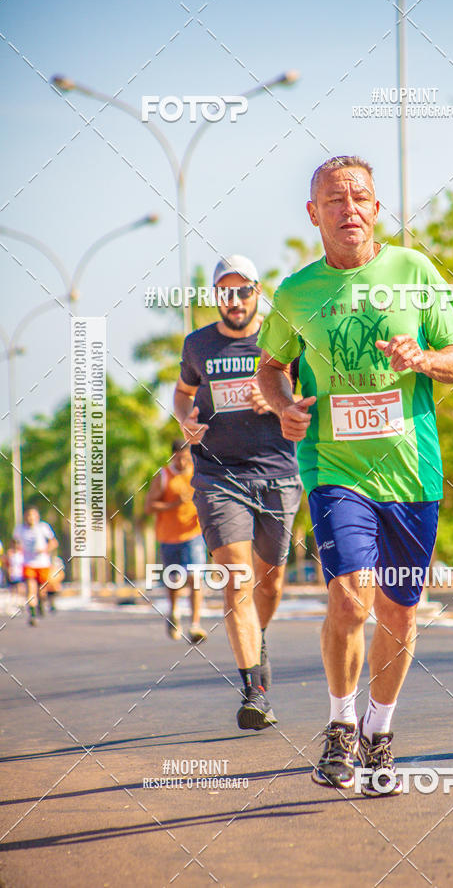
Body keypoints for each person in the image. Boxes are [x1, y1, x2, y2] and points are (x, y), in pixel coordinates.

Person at [257, 156, 453, 794]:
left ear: (377, 209)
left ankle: (380, 731)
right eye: (335, 199)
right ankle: (340, 724)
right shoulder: (296, 293)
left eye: (360, 198)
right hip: (333, 466)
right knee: (351, 596)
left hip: (411, 471)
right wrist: (283, 405)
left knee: (400, 614)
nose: (348, 208)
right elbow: (270, 367)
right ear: (314, 213)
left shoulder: (414, 271)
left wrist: (425, 358)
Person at [174, 254, 302, 731]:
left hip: (279, 471)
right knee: (236, 577)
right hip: (218, 474)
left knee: (271, 582)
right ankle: (254, 691)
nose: (235, 300)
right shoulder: (198, 344)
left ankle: (257, 636)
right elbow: (183, 392)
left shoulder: (282, 338)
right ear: (216, 296)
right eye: (225, 292)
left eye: (243, 291)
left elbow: (309, 395)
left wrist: (278, 400)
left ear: (257, 292)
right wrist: (184, 419)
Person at [145, 440, 207, 643]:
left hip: (193, 535)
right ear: (172, 456)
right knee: (174, 581)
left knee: (195, 578)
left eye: (186, 458)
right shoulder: (163, 476)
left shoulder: (197, 474)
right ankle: (173, 612)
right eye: (179, 458)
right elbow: (149, 506)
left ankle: (195, 624)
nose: (182, 462)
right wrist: (175, 504)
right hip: (168, 537)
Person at [13, 506, 58, 626]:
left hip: (42, 563)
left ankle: (41, 603)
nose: (31, 518)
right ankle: (32, 615)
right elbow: (15, 542)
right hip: (28, 563)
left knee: (41, 590)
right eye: (28, 515)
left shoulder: (43, 527)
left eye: (33, 515)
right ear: (25, 516)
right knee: (31, 588)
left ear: (37, 516)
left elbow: (54, 542)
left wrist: (45, 550)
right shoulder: (19, 529)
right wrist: (16, 549)